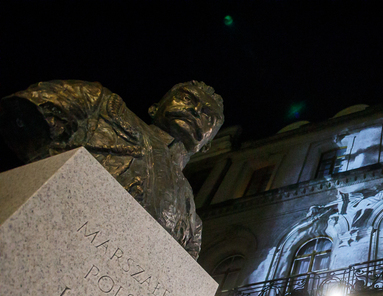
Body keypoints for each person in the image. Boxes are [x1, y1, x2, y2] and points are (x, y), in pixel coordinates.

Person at [0, 79, 224, 258]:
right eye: (186, 98)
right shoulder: (100, 105)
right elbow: (26, 112)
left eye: (207, 115)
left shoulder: (192, 223)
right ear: (154, 108)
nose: (194, 110)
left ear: (206, 146)